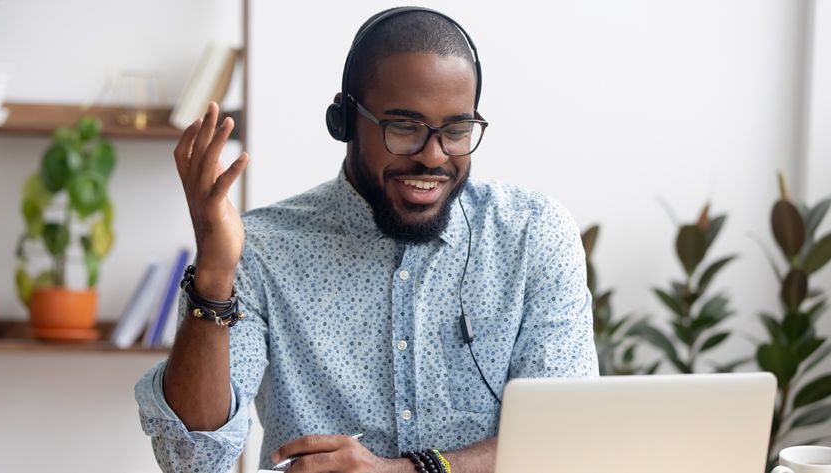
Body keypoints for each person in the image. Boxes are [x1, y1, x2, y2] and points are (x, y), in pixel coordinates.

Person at [135, 7, 598, 473]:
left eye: (456, 131)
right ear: (344, 121)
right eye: (404, 128)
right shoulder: (260, 251)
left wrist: (403, 471)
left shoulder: (532, 236)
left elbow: (565, 441)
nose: (433, 156)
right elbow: (191, 461)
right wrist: (215, 274)